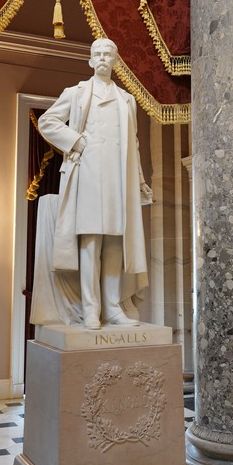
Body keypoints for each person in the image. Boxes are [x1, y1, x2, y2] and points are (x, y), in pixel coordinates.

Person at [38, 38, 152, 330]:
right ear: (90, 61)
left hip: (118, 178)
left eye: (107, 54)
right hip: (87, 175)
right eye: (97, 54)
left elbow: (134, 144)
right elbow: (48, 122)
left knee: (114, 243)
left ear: (115, 61)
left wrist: (139, 180)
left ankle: (112, 309)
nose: (102, 58)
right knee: (91, 243)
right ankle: (91, 309)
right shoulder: (76, 93)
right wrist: (75, 140)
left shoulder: (127, 100)